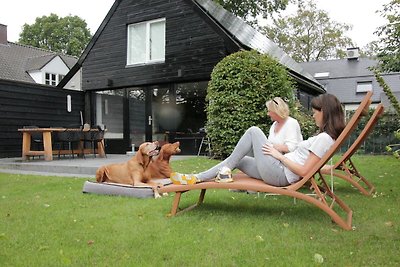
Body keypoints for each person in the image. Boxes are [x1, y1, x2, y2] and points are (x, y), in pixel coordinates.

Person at [170, 94, 345, 187]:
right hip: (277, 169)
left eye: (316, 111)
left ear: (326, 112)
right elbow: (313, 164)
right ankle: (201, 177)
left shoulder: (323, 138)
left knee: (253, 131)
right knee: (240, 160)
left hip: (280, 173)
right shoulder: (325, 138)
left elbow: (306, 171)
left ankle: (198, 177)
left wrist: (279, 156)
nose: (313, 114)